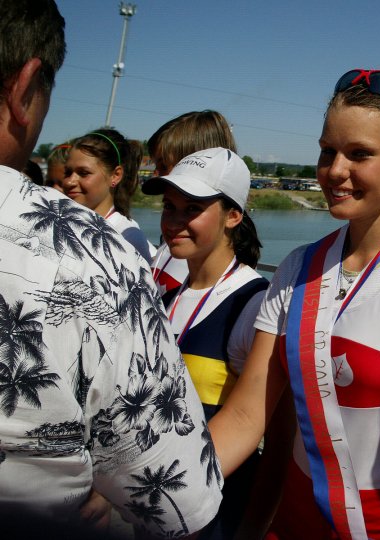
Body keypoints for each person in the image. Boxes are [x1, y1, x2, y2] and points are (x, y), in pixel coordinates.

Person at [209, 69, 380, 539]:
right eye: (327, 151)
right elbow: (244, 416)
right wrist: (160, 486)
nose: (335, 171)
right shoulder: (297, 269)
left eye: (359, 154)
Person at [0, 1, 221, 537]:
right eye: (166, 198)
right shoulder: (97, 259)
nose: (173, 217)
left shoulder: (124, 246)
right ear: (25, 88)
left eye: (190, 202)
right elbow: (179, 499)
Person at [142, 147, 288, 539]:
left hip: (218, 516)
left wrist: (253, 528)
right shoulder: (168, 298)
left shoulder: (255, 306)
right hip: (154, 505)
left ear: (233, 215)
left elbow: (279, 441)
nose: (174, 222)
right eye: (169, 207)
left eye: (192, 209)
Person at [147, 110, 237, 295]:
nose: (156, 174)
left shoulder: (215, 260)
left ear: (193, 163)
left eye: (162, 165)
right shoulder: (176, 242)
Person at [63, 128, 156, 263]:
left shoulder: (127, 236)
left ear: (115, 175)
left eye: (83, 173)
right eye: (67, 173)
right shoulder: (62, 223)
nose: (69, 182)